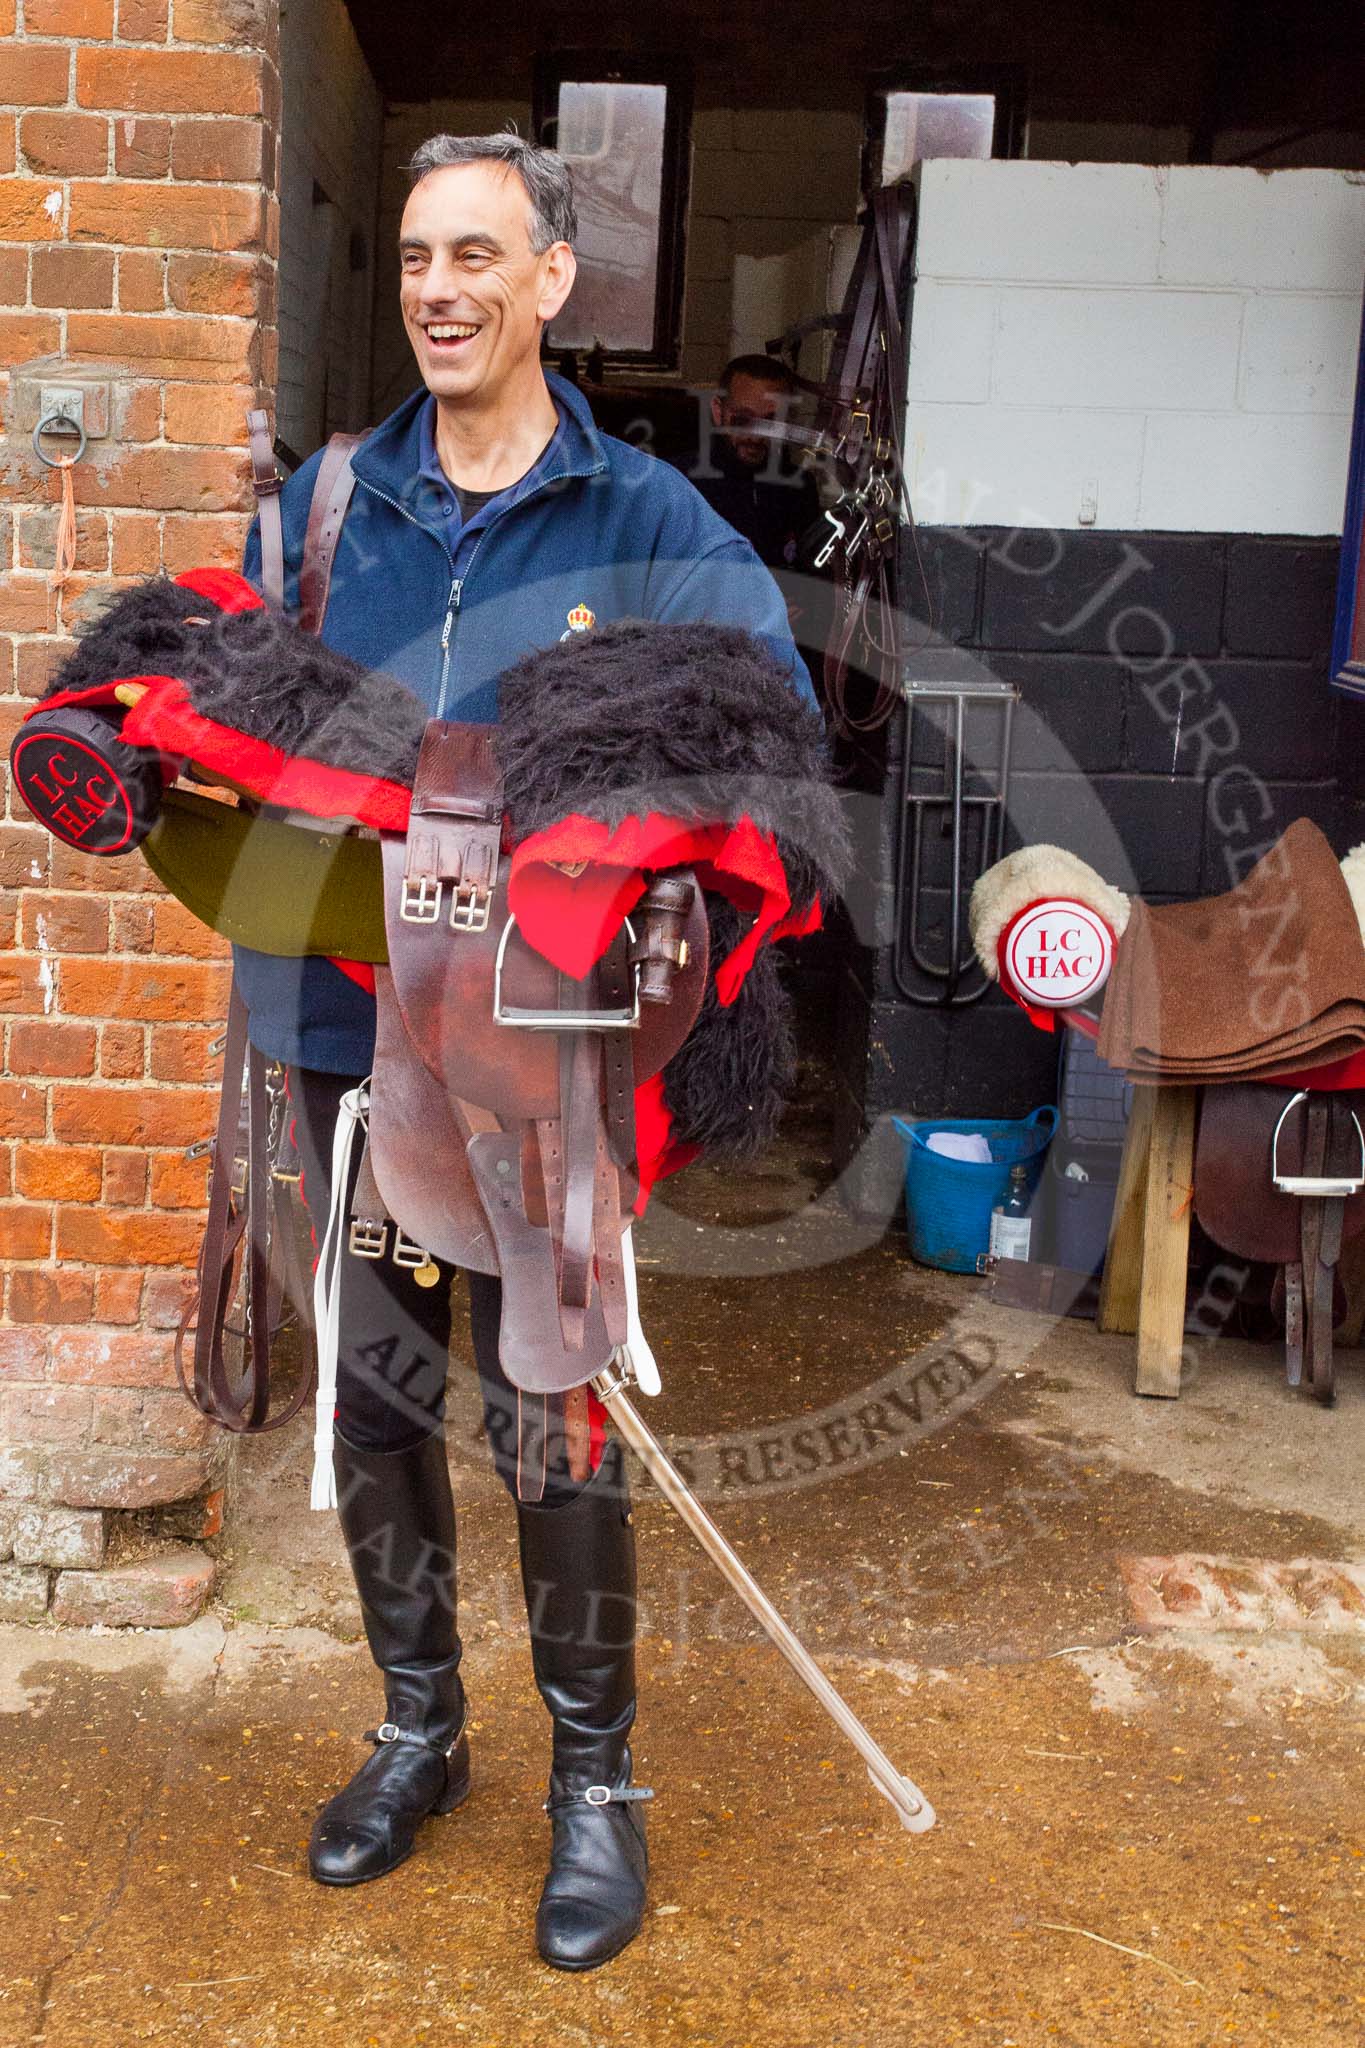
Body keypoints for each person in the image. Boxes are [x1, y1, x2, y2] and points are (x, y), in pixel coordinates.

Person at [234, 131, 818, 1972]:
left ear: (554, 278)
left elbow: (768, 714)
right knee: (382, 1395)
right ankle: (420, 1728)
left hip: (542, 1045)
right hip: (349, 1026)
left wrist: (601, 802)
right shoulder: (329, 504)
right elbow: (229, 721)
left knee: (548, 1407)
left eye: (479, 253)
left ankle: (598, 1785)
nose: (440, 289)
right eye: (417, 255)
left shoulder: (646, 518)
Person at [692, 353, 828, 669]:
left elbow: (817, 579)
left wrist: (805, 603)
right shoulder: (682, 483)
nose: (755, 435)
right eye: (743, 419)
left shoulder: (799, 486)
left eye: (770, 422)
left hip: (782, 660)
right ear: (718, 411)